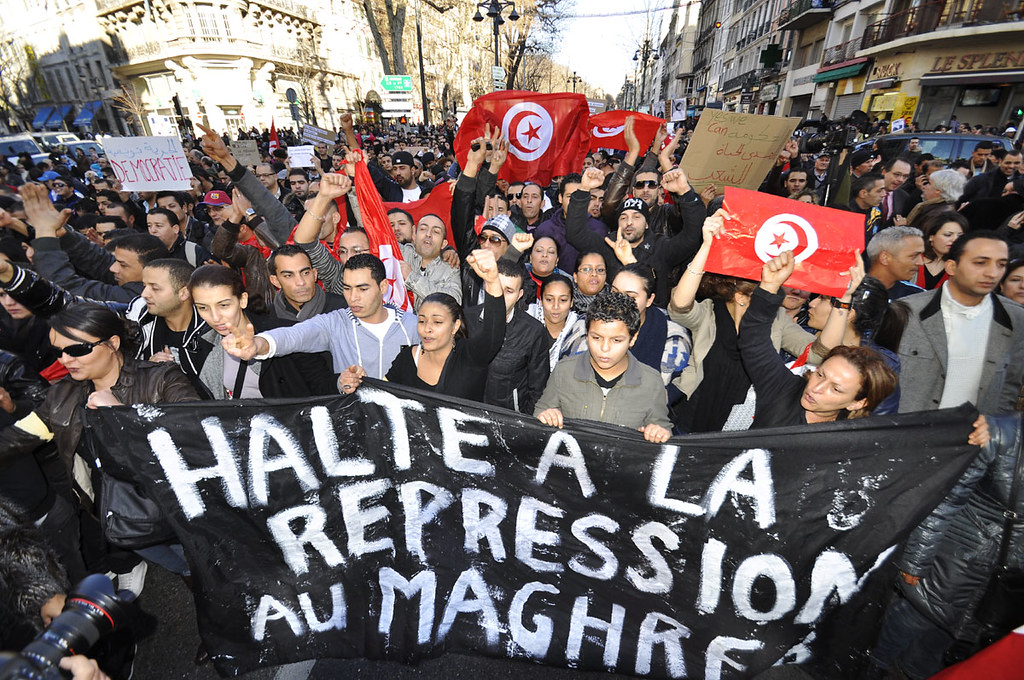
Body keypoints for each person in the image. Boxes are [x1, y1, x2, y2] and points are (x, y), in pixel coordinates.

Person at [0, 303, 200, 585]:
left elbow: (195, 439)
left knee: (205, 566)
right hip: (120, 512)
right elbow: (14, 440)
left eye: (77, 349)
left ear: (112, 343)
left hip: (181, 505)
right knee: (172, 561)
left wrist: (121, 413)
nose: (65, 360)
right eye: (59, 352)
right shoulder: (62, 397)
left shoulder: (162, 379)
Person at [869, 412, 1013, 680]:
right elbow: (943, 501)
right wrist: (915, 561)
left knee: (954, 637)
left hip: (1007, 578)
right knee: (914, 618)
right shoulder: (999, 433)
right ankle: (869, 664)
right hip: (957, 559)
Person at [667, 211, 820, 432]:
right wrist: (707, 246)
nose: (767, 305)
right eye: (762, 297)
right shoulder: (711, 312)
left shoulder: (776, 320)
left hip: (740, 425)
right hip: (693, 413)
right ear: (740, 297)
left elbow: (817, 353)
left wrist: (842, 306)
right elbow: (680, 306)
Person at [738, 251, 898, 427]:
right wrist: (770, 285)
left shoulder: (850, 440)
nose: (816, 389)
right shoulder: (784, 390)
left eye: (835, 389)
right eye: (820, 374)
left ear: (857, 403)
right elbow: (754, 340)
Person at [337, 249, 505, 402]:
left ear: (455, 326)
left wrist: (492, 281)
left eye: (437, 322)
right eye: (422, 321)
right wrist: (358, 383)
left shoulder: (469, 356)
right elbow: (380, 400)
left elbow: (493, 335)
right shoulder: (406, 359)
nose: (427, 328)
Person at [222, 253, 417, 383]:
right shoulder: (334, 323)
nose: (353, 297)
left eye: (362, 288)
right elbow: (293, 336)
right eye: (347, 288)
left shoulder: (414, 326)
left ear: (383, 287)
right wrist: (258, 344)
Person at [898, 231, 1024, 414]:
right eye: (980, 263)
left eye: (1001, 264)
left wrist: (993, 425)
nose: (992, 273)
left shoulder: (1015, 318)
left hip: (973, 437)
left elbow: (1010, 386)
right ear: (951, 267)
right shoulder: (906, 311)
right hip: (907, 433)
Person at [533, 290, 672, 443]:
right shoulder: (564, 371)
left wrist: (658, 431)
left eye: (616, 340)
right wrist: (546, 415)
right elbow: (541, 411)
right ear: (587, 334)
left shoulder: (651, 382)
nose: (605, 348)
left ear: (633, 339)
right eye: (596, 338)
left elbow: (662, 427)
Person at [189, 264, 336, 398]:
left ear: (242, 300)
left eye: (224, 305)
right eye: (203, 308)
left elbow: (322, 386)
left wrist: (343, 382)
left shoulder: (284, 333)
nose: (215, 317)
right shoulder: (203, 342)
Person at [568, 166, 704, 306]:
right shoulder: (608, 244)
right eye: (623, 217)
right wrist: (583, 189)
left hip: (652, 319)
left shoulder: (662, 247)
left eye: (637, 217)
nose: (629, 222)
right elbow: (575, 233)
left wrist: (685, 192)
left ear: (646, 224)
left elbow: (692, 235)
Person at [469, 259, 549, 414]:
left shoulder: (533, 331)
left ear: (520, 295)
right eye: (497, 287)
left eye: (509, 291)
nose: (500, 295)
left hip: (509, 420)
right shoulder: (467, 319)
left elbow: (538, 388)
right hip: (468, 416)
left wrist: (524, 423)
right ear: (486, 285)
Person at [267, 244, 347, 322]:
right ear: (276, 281)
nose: (301, 282)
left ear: (315, 274)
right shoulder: (263, 319)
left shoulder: (343, 309)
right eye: (288, 276)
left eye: (305, 273)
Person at [528, 274, 586, 371]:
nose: (556, 306)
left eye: (563, 300)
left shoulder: (580, 330)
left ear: (571, 302)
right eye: (549, 299)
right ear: (541, 300)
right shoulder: (527, 322)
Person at [866, 226, 926, 300]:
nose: (921, 262)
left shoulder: (917, 296)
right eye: (914, 256)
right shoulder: (850, 290)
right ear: (885, 258)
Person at [916, 211, 966, 290]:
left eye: (960, 236)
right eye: (948, 235)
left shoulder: (961, 265)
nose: (955, 240)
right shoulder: (914, 259)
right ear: (931, 236)